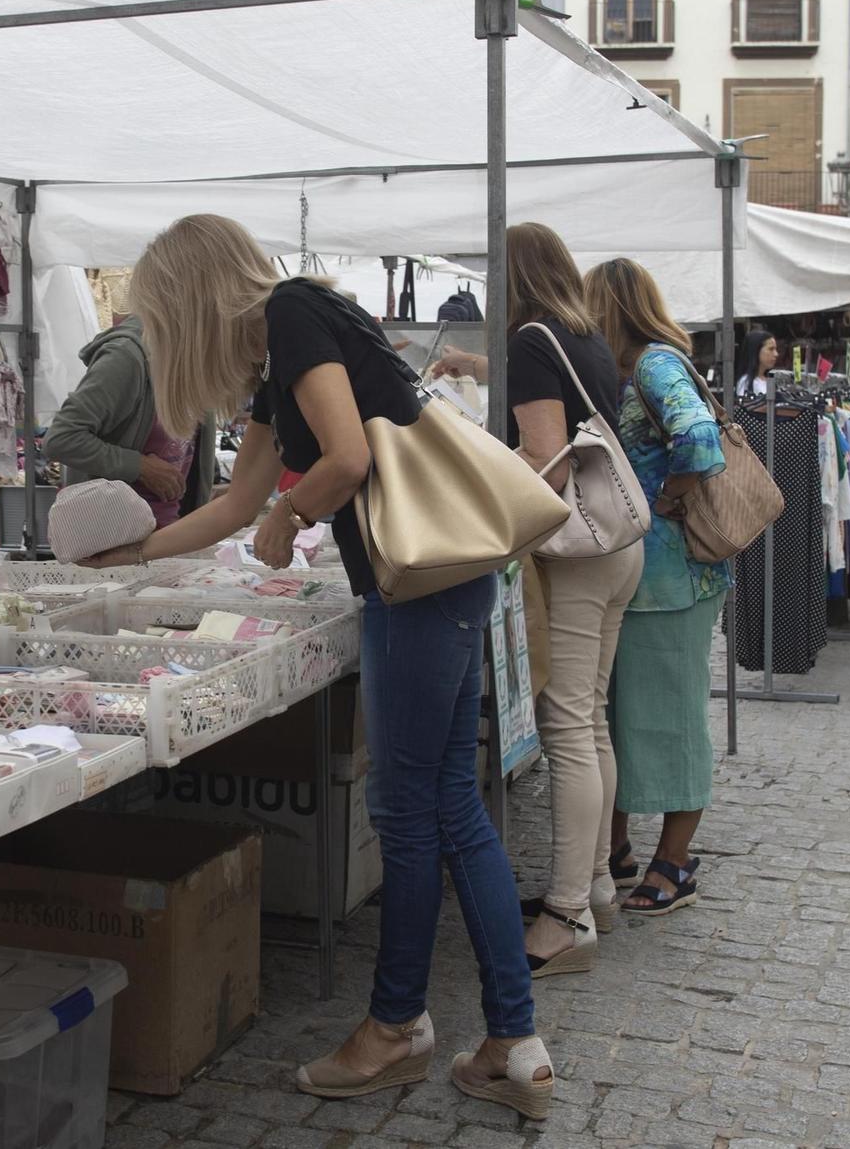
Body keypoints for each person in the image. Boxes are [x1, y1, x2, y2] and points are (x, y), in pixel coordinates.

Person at [87, 215, 554, 1117]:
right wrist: (132, 556)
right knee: (450, 802)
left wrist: (293, 515)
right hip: (439, 578)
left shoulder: (296, 310)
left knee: (411, 813)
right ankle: (512, 1040)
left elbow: (345, 459)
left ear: (192, 294)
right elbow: (232, 503)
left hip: (413, 584)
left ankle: (396, 1029)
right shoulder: (283, 347)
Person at [427, 224, 637, 972]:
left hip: (578, 553)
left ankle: (567, 913)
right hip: (619, 546)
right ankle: (600, 886)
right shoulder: (579, 335)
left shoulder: (530, 341)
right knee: (594, 721)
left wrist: (474, 474)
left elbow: (544, 463)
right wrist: (474, 365)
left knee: (568, 729)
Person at [580, 257, 726, 918]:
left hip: (675, 578)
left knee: (670, 721)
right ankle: (617, 850)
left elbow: (698, 437)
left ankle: (676, 861)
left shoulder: (654, 363)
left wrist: (669, 493)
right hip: (645, 577)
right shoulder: (626, 367)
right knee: (619, 717)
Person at [44, 312, 215, 528]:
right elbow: (62, 439)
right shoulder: (126, 356)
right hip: (114, 540)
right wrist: (140, 467)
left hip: (168, 535)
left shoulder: (194, 358)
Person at [733, 328, 780, 399]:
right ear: (756, 350)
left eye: (775, 349)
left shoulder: (771, 381)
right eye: (771, 349)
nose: (776, 354)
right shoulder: (746, 383)